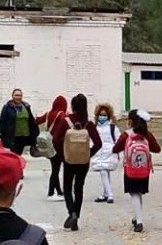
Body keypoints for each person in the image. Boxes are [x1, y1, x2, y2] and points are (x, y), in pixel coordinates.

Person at [53, 93, 95, 230]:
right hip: (83, 161)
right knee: (79, 188)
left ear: (72, 106)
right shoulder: (88, 124)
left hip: (69, 160)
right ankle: (76, 218)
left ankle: (72, 213)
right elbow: (98, 143)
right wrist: (88, 154)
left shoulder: (66, 121)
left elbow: (55, 140)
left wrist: (63, 154)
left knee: (67, 187)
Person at [117, 109, 161, 232]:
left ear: (130, 121)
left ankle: (139, 221)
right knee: (139, 193)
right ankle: (137, 217)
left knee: (134, 193)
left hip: (130, 168)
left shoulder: (126, 135)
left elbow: (116, 148)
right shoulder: (147, 135)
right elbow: (157, 149)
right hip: (144, 169)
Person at [89, 103, 122, 204]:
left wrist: (116, 151)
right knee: (105, 173)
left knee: (103, 172)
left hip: (109, 153)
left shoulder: (113, 128)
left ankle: (110, 194)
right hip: (98, 153)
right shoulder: (95, 128)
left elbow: (119, 140)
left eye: (104, 115)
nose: (102, 117)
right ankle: (105, 194)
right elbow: (91, 140)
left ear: (108, 116)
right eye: (100, 115)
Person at [40, 94, 69, 197]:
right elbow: (68, 125)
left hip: (49, 144)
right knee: (56, 170)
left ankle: (59, 191)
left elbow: (37, 120)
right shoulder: (62, 115)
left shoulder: (49, 113)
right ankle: (51, 192)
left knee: (54, 168)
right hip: (59, 145)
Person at [0, 88, 39, 154]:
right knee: (14, 153)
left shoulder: (26, 106)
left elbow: (31, 120)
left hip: (24, 136)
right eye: (16, 95)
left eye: (20, 95)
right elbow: (2, 121)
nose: (18, 97)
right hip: (12, 136)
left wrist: (36, 132)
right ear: (12, 96)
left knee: (18, 153)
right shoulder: (7, 107)